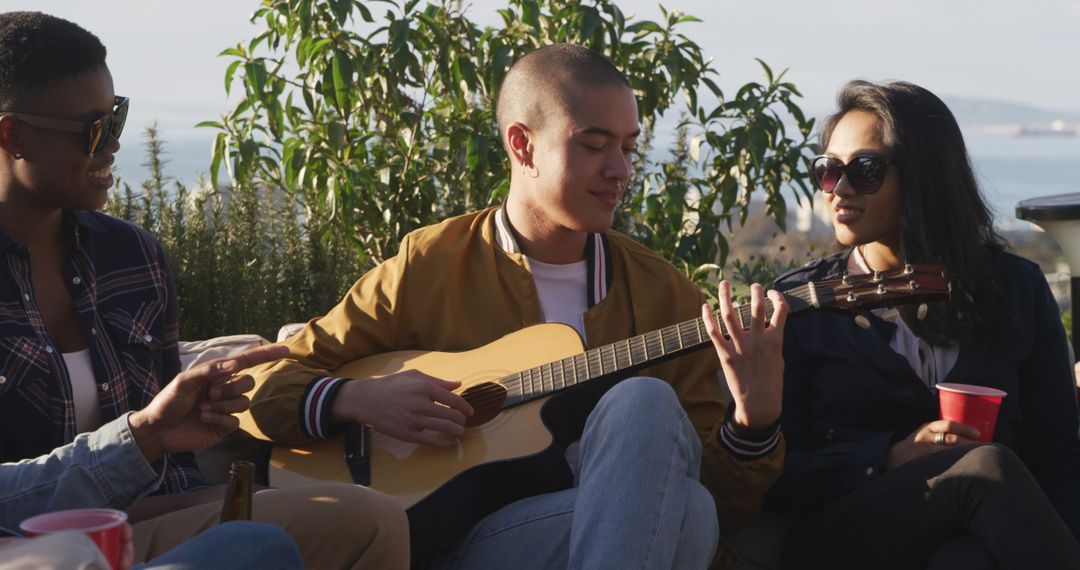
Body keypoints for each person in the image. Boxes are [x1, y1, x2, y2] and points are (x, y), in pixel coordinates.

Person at [240, 43, 788, 569]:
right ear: (522, 146)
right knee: (675, 491)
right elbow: (254, 384)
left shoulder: (663, 294)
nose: (620, 169)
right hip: (452, 537)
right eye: (595, 145)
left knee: (679, 489)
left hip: (586, 531)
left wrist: (752, 425)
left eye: (627, 145)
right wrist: (355, 399)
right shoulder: (431, 264)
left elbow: (725, 509)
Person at [0, 11, 408, 569]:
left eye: (118, 119)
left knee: (368, 516)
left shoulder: (132, 257)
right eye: (93, 129)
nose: (113, 145)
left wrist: (216, 467)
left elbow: (172, 462)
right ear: (10, 133)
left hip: (130, 525)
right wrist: (142, 437)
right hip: (21, 545)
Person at [768, 79, 1080, 569]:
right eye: (827, 172)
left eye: (865, 171)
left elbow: (1057, 453)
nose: (840, 189)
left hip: (980, 538)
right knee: (984, 466)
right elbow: (774, 476)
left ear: (925, 176)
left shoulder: (1015, 290)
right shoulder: (803, 305)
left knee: (965, 559)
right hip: (842, 542)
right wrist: (887, 457)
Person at [0, 344, 304, 570]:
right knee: (262, 547)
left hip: (76, 536)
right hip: (71, 544)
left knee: (260, 541)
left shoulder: (138, 259)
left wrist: (149, 434)